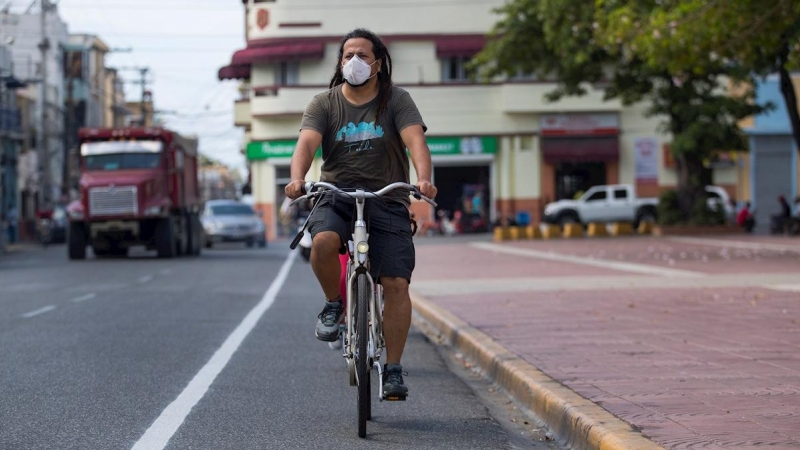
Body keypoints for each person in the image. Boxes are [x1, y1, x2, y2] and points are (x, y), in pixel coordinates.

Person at [284, 28, 437, 400]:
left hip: (387, 198)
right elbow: (306, 142)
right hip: (336, 195)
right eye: (348, 55)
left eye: (363, 55)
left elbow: (415, 139)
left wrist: (424, 179)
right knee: (321, 242)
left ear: (379, 63)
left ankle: (394, 369)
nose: (354, 61)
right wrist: (297, 179)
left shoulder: (396, 100)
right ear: (340, 62)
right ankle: (333, 305)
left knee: (397, 284)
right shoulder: (324, 103)